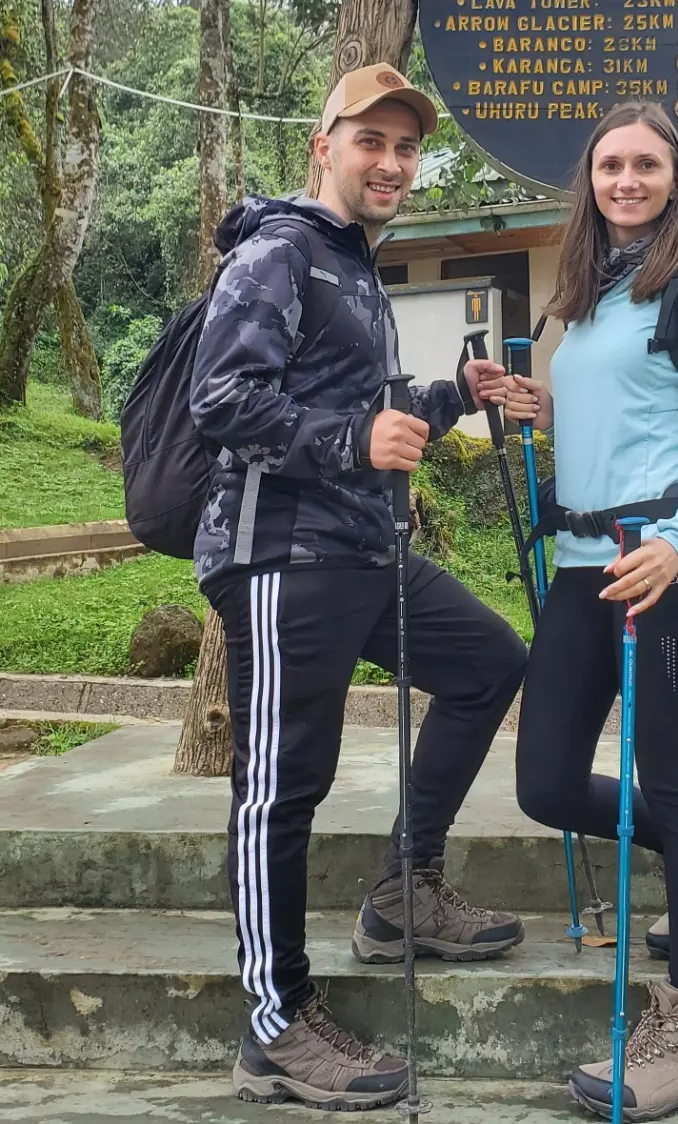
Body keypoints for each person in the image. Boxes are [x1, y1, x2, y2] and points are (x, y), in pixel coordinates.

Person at [190, 63, 528, 1111]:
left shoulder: (352, 264)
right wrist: (349, 438)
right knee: (280, 793)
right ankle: (274, 1027)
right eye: (370, 140)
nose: (390, 162)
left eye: (405, 146)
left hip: (361, 549)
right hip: (285, 557)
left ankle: (400, 893)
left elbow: (366, 406)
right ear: (323, 145)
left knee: (486, 662)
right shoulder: (280, 250)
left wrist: (447, 396)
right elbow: (222, 398)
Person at [487, 101, 678, 1120]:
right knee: (544, 781)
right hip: (578, 561)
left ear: (675, 176)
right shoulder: (586, 293)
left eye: (646, 164)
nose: (626, 180)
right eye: (610, 165)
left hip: (667, 566)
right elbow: (615, 409)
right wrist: (538, 405)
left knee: (677, 786)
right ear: (590, 179)